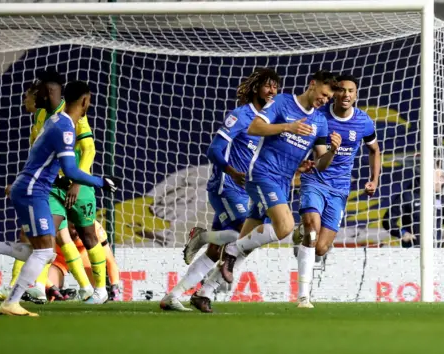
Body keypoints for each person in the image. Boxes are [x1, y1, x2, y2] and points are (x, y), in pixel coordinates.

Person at [0, 80, 119, 316]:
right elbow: (69, 169)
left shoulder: (55, 121)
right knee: (45, 250)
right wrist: (101, 182)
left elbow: (71, 154)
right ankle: (14, 298)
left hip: (34, 187)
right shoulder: (64, 126)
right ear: (85, 101)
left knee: (44, 248)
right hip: (36, 190)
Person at [160, 68, 280, 313]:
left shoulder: (269, 122)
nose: (272, 91)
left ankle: (174, 296)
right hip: (227, 186)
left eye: (275, 87)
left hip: (248, 190)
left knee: (217, 251)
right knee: (243, 235)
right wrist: (232, 171)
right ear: (256, 88)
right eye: (267, 86)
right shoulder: (240, 115)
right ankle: (201, 237)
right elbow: (213, 150)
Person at [218, 71, 340, 286]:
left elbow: (321, 162)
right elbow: (254, 127)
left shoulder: (320, 121)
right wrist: (288, 127)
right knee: (285, 227)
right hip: (263, 173)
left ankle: (204, 293)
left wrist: (332, 152)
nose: (325, 100)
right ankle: (230, 249)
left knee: (247, 245)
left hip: (284, 182)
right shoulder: (283, 101)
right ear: (312, 85)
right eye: (323, 94)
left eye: (329, 98)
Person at [0, 72, 98, 304]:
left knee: (66, 238)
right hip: (47, 186)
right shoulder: (42, 117)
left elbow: (89, 149)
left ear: (47, 93)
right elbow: (37, 158)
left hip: (64, 186)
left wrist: (79, 183)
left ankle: (99, 288)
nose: (29, 98)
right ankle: (32, 287)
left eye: (33, 93)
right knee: (47, 238)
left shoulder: (70, 115)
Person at [294, 74, 380, 308]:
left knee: (321, 248)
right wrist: (331, 150)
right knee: (312, 232)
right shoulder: (320, 117)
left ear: (356, 94)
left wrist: (374, 180)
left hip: (340, 189)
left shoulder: (363, 122)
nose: (346, 95)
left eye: (351, 91)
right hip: (315, 179)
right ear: (335, 93)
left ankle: (301, 233)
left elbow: (374, 150)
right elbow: (320, 159)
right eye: (341, 90)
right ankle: (303, 296)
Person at [382, 166, 444, 248]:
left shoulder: (440, 198)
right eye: (440, 177)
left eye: (443, 178)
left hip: (437, 250)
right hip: (413, 251)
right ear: (427, 176)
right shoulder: (408, 196)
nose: (443, 181)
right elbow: (387, 220)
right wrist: (402, 233)